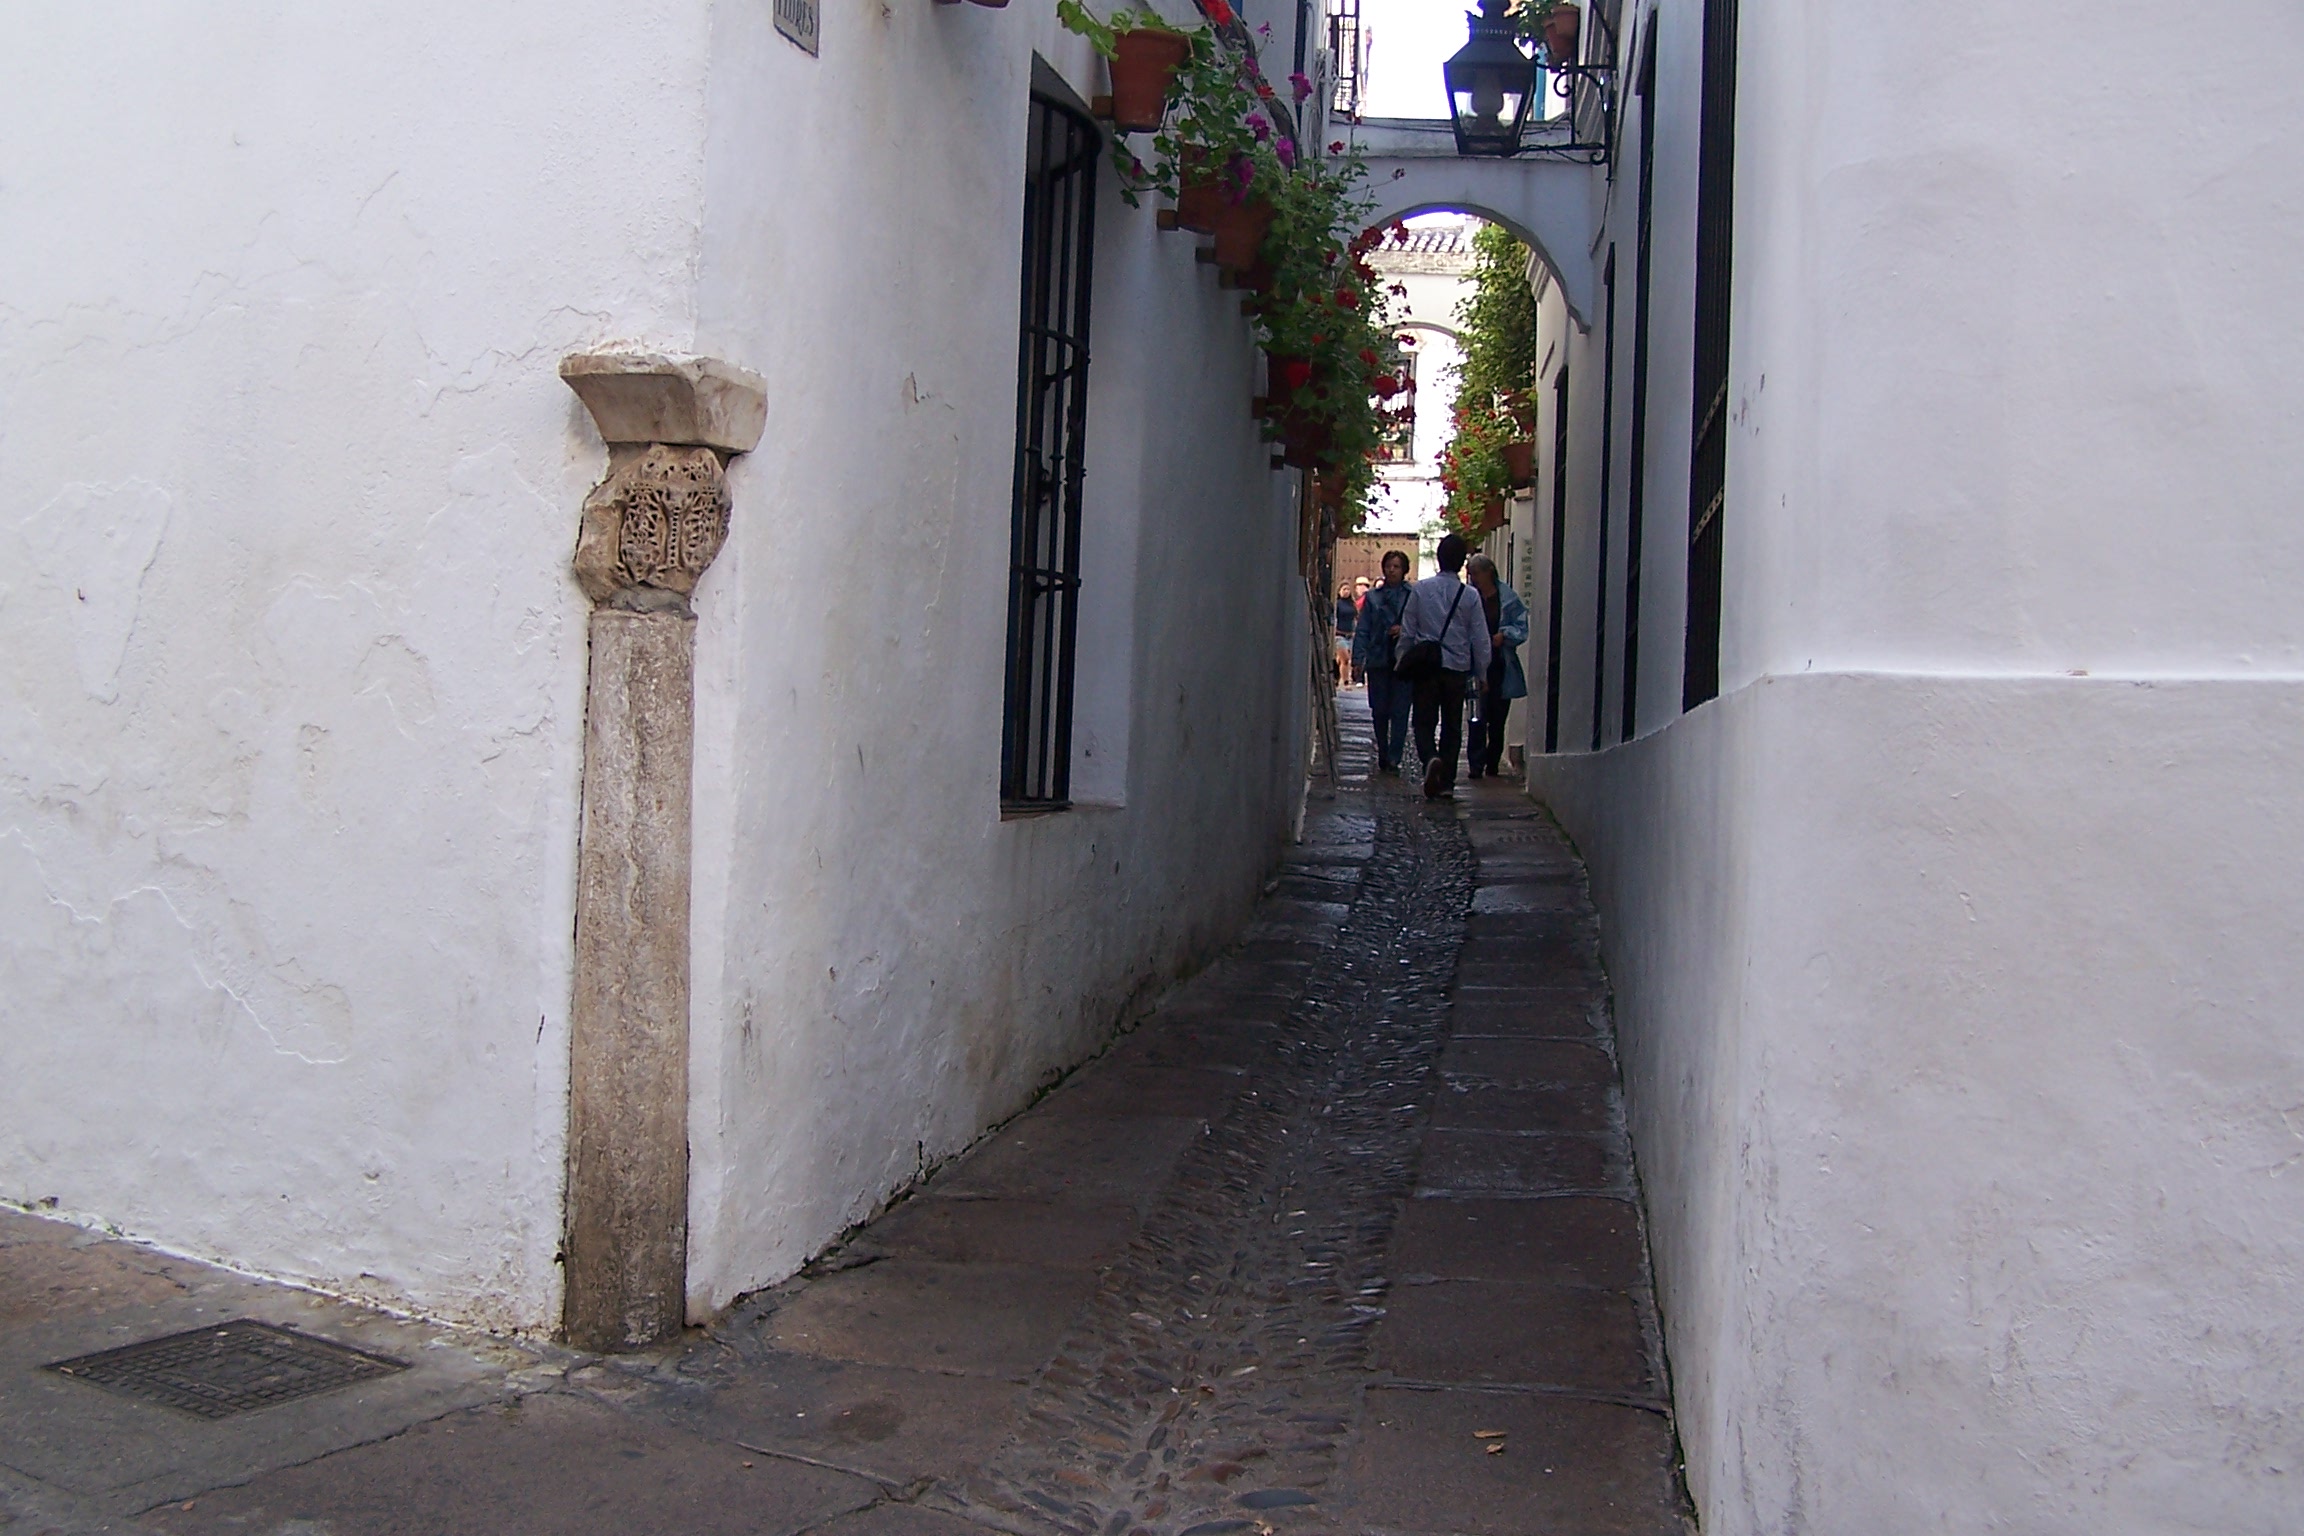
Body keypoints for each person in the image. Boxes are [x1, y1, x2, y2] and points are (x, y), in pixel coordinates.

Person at [1398, 533, 1491, 799]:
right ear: (1462, 562)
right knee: (1452, 725)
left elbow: (1408, 630)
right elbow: (1480, 638)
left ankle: (1429, 758)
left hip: (1426, 667)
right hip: (1456, 669)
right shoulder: (1470, 595)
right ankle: (1447, 781)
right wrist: (1482, 673)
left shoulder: (1420, 590)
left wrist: (1403, 659)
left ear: (1438, 559)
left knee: (1423, 721)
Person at [1463, 554, 1529, 779]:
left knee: (1498, 718)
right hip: (1476, 664)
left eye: (1476, 574)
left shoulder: (1507, 597)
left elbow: (1521, 626)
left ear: (1488, 572)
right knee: (1476, 715)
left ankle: (1492, 762)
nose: (1474, 579)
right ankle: (1475, 763)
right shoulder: (1470, 597)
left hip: (1500, 664)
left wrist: (1505, 635)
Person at [1351, 551, 1415, 773]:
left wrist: (1404, 630)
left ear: (1404, 569)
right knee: (1379, 710)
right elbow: (1363, 629)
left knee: (1400, 710)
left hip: (1403, 661)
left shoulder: (1413, 596)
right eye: (1389, 565)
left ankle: (1395, 757)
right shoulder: (1373, 598)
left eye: (1397, 566)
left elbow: (1421, 624)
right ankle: (1383, 751)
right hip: (1378, 658)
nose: (1392, 570)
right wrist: (1358, 658)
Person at [1332, 581, 1358, 688]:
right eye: (1344, 589)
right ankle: (1346, 681)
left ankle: (1336, 676)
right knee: (1345, 659)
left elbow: (1356, 617)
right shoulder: (1337, 604)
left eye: (1348, 589)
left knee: (1341, 660)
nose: (1346, 591)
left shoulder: (1352, 604)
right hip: (1339, 634)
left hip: (1349, 634)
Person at [1349, 576, 1372, 683]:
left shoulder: (1369, 600)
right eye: (1360, 585)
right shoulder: (1353, 601)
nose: (1363, 587)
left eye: (1365, 585)